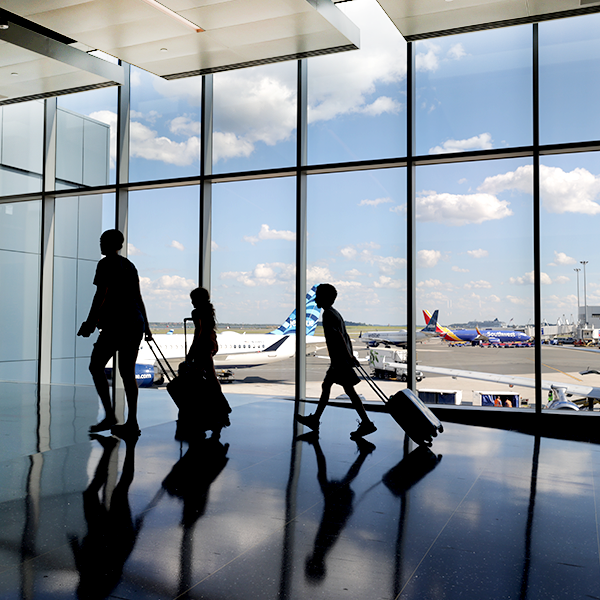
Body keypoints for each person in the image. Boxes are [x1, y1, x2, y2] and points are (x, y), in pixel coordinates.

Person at [78, 229, 152, 438]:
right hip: (134, 322)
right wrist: (146, 325)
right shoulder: (129, 265)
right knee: (127, 373)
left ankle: (110, 415)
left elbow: (101, 294)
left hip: (117, 323)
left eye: (102, 241)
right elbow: (138, 297)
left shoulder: (105, 264)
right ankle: (132, 422)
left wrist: (90, 322)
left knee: (95, 366)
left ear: (111, 244)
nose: (100, 244)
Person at [296, 283, 377, 439]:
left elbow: (339, 338)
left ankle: (366, 423)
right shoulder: (335, 313)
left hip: (340, 362)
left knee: (346, 391)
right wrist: (350, 355)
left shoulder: (327, 315)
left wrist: (348, 356)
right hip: (340, 361)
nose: (315, 298)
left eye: (318, 295)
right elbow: (345, 337)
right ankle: (316, 419)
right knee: (329, 386)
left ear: (325, 298)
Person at [179, 287, 231, 438]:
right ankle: (220, 411)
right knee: (210, 378)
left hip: (203, 346)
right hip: (210, 344)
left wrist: (191, 352)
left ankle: (221, 410)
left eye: (193, 299)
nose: (192, 302)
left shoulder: (196, 312)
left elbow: (199, 332)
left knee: (208, 379)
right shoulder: (208, 311)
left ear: (197, 299)